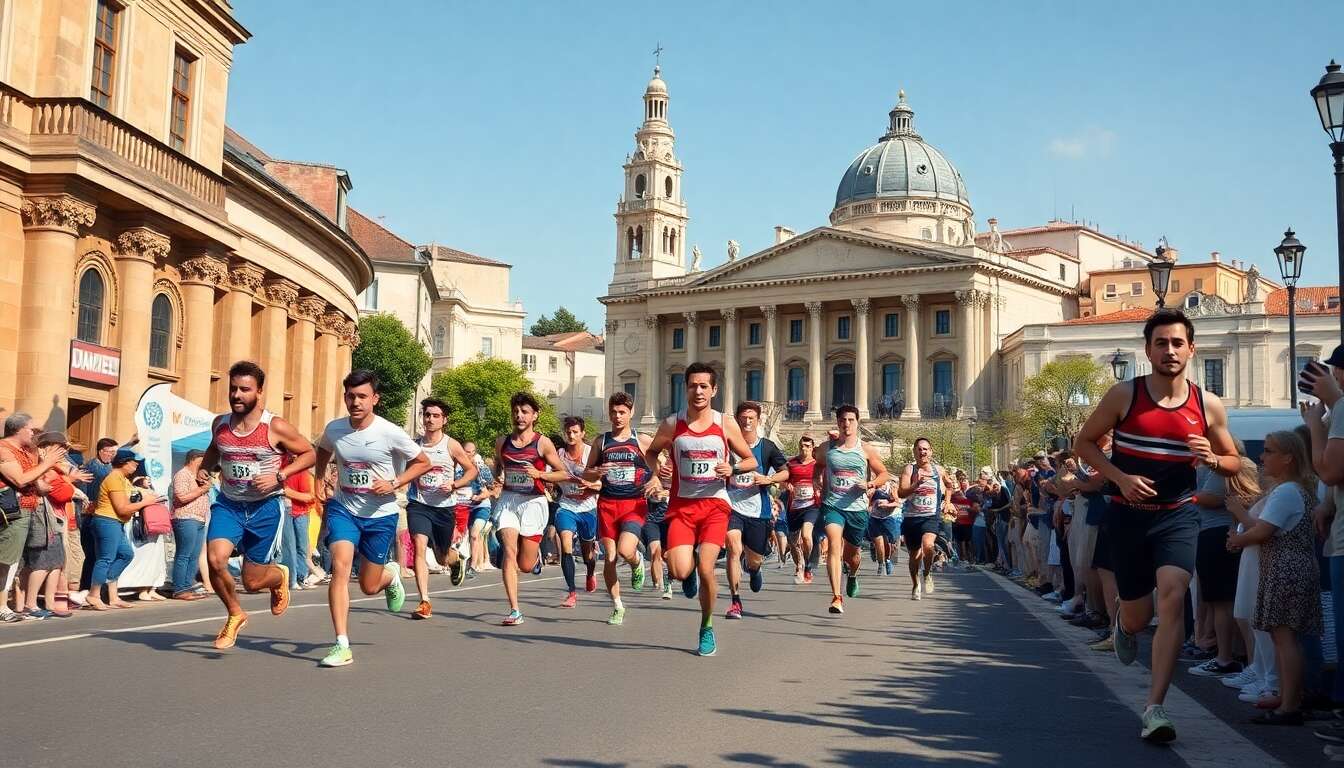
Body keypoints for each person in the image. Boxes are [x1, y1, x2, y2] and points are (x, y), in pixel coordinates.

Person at [1074, 309, 1239, 743]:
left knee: (1172, 597)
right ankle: (1124, 626)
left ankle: (1155, 707)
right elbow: (1083, 443)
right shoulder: (1124, 395)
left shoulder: (1207, 404)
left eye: (1177, 343)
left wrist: (1213, 460)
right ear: (1147, 350)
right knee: (1139, 612)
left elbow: (1235, 461)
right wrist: (1120, 478)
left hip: (1177, 516)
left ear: (1191, 349)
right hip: (1128, 520)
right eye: (1161, 343)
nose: (1170, 350)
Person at [313, 370, 431, 665]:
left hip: (381, 514)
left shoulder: (389, 432)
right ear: (345, 397)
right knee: (340, 566)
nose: (356, 402)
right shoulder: (335, 428)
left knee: (368, 586)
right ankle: (341, 643)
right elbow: (323, 449)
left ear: (375, 399)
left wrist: (394, 483)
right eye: (351, 396)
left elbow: (423, 462)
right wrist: (318, 477)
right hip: (344, 508)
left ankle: (390, 576)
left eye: (362, 396)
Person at [199, 361, 315, 650]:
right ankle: (235, 614)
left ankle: (279, 578)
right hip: (229, 505)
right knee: (215, 559)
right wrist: (206, 467)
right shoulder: (220, 424)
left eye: (244, 390)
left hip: (266, 508)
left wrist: (280, 475)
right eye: (233, 389)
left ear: (259, 392)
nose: (237, 395)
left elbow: (309, 454)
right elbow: (215, 448)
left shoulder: (275, 427)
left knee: (252, 581)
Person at [644, 362, 757, 656]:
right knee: (680, 571)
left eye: (704, 386)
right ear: (686, 388)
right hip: (681, 507)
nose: (698, 391)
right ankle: (688, 571)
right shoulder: (672, 424)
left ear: (714, 390)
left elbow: (750, 461)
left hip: (714, 506)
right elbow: (652, 452)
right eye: (693, 385)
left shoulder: (724, 423)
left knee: (708, 566)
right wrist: (658, 472)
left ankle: (706, 626)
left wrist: (730, 467)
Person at [1226, 430, 1321, 725]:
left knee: (1284, 638)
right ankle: (1288, 695)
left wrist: (1238, 537)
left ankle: (1289, 704)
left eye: (1269, 451)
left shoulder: (1287, 492)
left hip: (1286, 570)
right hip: (1285, 568)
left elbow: (1263, 531)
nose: (1262, 457)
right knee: (1283, 638)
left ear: (1288, 458)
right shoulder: (1291, 490)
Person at [490, 392, 571, 626]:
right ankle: (515, 610)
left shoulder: (542, 443)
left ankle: (534, 559)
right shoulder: (502, 441)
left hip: (534, 503)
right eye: (515, 411)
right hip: (508, 500)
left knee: (524, 564)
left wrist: (540, 474)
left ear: (535, 415)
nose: (519, 415)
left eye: (524, 411)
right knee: (509, 551)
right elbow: (498, 463)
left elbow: (563, 473)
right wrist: (498, 475)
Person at [583, 395, 657, 623]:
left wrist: (656, 480)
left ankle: (637, 562)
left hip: (633, 505)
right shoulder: (601, 441)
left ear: (631, 413)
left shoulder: (641, 440)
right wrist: (597, 473)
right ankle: (617, 605)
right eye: (613, 412)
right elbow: (587, 471)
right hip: (606, 504)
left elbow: (661, 463)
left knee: (625, 550)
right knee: (610, 558)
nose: (617, 416)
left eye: (622, 412)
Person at [815, 405, 889, 615]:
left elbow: (883, 473)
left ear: (857, 423)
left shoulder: (865, 449)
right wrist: (815, 478)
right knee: (834, 545)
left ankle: (853, 575)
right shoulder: (827, 448)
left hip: (856, 509)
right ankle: (837, 597)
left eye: (850, 420)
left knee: (852, 556)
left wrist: (871, 484)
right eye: (842, 420)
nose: (846, 424)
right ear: (837, 423)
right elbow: (818, 462)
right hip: (833, 505)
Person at [406, 397, 476, 619]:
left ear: (444, 420)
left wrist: (454, 484)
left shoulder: (451, 445)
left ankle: (456, 561)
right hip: (419, 504)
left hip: (444, 507)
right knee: (419, 545)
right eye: (427, 415)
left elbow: (471, 471)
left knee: (441, 557)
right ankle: (424, 601)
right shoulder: (414, 445)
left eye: (436, 416)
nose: (430, 419)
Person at [1186, 440, 1249, 678]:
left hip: (1218, 534)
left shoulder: (1225, 468)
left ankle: (1225, 658)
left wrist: (1185, 495)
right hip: (1210, 533)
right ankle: (1222, 651)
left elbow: (1211, 497)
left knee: (1221, 600)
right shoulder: (1212, 468)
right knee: (1214, 600)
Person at [723, 401, 788, 620]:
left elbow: (785, 473)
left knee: (754, 560)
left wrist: (768, 478)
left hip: (758, 511)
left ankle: (754, 570)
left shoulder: (767, 447)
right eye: (743, 418)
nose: (747, 422)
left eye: (751, 418)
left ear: (758, 420)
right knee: (733, 547)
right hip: (731, 506)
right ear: (737, 420)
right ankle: (735, 601)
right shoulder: (727, 445)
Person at [87, 448, 160, 610]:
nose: (136, 465)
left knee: (126, 554)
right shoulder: (114, 478)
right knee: (105, 558)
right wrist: (146, 502)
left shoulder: (124, 479)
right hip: (107, 521)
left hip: (116, 522)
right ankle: (94, 594)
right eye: (133, 462)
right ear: (124, 463)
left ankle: (112, 596)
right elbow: (122, 508)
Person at [22, 432, 78, 619]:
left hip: (56, 517)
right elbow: (61, 492)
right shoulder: (40, 465)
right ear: (47, 447)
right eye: (61, 447)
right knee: (41, 562)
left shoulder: (56, 467)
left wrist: (67, 483)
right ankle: (29, 604)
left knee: (56, 562)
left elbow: (66, 490)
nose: (64, 451)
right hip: (42, 515)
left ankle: (50, 602)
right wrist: (68, 484)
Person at [553, 414, 603, 609]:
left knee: (587, 555)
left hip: (588, 507)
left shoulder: (591, 453)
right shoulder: (559, 454)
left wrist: (590, 485)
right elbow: (552, 474)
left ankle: (590, 572)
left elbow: (601, 481)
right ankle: (572, 592)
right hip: (566, 505)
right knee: (566, 543)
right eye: (568, 432)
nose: (571, 435)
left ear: (583, 433)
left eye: (575, 432)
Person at [897, 437, 954, 601]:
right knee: (914, 555)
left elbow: (949, 485)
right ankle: (916, 584)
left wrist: (947, 502)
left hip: (930, 516)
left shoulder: (938, 470)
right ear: (914, 451)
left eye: (925, 449)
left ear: (931, 451)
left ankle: (927, 572)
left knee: (928, 545)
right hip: (911, 518)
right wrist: (916, 484)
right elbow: (901, 493)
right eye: (919, 449)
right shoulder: (910, 469)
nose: (922, 452)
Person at [170, 449, 211, 600]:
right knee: (184, 554)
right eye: (202, 459)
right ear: (194, 459)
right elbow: (181, 497)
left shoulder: (198, 476)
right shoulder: (182, 474)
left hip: (199, 519)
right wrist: (201, 490)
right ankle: (179, 588)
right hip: (185, 518)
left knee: (194, 556)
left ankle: (188, 585)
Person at [785, 435, 821, 585]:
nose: (804, 449)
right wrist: (787, 485)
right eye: (802, 446)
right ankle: (798, 564)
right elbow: (783, 478)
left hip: (812, 505)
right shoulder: (791, 463)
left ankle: (807, 565)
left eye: (807, 446)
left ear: (812, 448)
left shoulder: (818, 464)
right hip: (794, 506)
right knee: (793, 542)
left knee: (806, 536)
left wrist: (819, 488)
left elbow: (824, 480)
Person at [867, 479, 902, 576]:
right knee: (879, 543)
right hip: (875, 518)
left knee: (891, 545)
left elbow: (897, 503)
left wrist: (887, 505)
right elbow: (868, 504)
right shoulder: (872, 487)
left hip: (888, 518)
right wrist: (869, 507)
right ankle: (880, 564)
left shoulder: (891, 487)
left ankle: (888, 560)